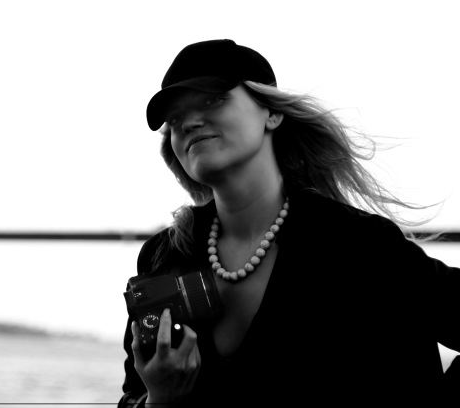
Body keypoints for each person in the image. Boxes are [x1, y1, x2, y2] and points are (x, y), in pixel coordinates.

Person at [119, 39, 460, 405]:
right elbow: (134, 394)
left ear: (271, 113)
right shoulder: (164, 256)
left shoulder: (359, 244)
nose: (188, 122)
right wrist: (159, 399)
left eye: (211, 100)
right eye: (173, 118)